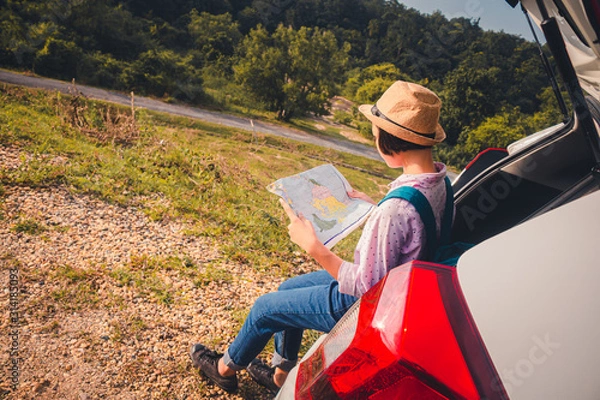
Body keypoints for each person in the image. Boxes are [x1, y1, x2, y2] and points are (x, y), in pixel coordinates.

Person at [188, 80, 451, 395]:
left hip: (363, 305)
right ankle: (280, 376)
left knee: (265, 308)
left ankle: (224, 369)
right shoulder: (438, 180)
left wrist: (315, 248)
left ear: (389, 140)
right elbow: (415, 228)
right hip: (396, 290)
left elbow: (364, 285)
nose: (373, 136)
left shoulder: (395, 209)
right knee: (287, 289)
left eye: (375, 131)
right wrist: (372, 206)